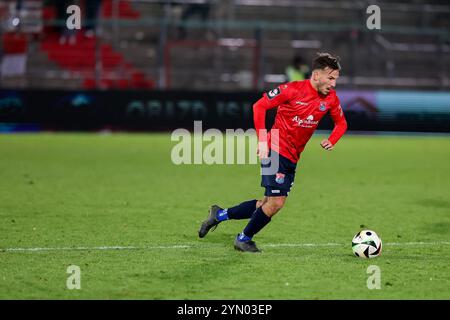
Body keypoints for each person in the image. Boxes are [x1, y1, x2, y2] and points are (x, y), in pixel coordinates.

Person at [198, 52, 348, 253]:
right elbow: (259, 106)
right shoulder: (292, 89)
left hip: (293, 157)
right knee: (277, 202)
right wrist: (261, 141)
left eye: (336, 79)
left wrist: (332, 140)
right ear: (316, 75)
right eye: (330, 78)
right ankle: (243, 238)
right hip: (275, 148)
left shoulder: (330, 99)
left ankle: (219, 215)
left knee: (267, 203)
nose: (334, 84)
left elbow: (341, 123)